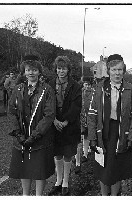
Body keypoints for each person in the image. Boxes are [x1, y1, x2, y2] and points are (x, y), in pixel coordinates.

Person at [87, 54, 132, 196]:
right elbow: (92, 114)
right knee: (103, 167)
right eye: (114, 70)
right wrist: (92, 137)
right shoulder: (99, 88)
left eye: (120, 70)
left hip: (122, 132)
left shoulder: (130, 89)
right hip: (104, 131)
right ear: (108, 70)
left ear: (124, 70)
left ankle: (115, 195)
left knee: (116, 168)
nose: (117, 73)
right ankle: (105, 196)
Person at [7, 54, 56, 196]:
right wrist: (17, 133)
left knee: (39, 171)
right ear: (24, 72)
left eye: (34, 70)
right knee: (25, 168)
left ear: (39, 71)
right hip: (21, 138)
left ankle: (39, 197)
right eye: (28, 69)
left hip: (39, 139)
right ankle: (25, 196)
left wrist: (35, 136)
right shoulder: (17, 89)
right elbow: (11, 112)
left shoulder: (47, 90)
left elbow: (49, 115)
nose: (31, 72)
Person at [48, 56, 82, 196]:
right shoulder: (49, 84)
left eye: (64, 68)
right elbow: (47, 104)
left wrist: (66, 121)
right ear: (56, 69)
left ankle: (66, 182)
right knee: (57, 153)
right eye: (59, 68)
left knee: (68, 154)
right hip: (54, 123)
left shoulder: (75, 85)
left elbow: (76, 106)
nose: (61, 71)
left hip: (70, 124)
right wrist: (54, 120)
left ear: (68, 70)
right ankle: (58, 180)